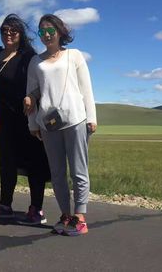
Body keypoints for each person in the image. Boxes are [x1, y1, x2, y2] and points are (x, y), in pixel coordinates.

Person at [26, 14, 97, 236]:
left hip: (75, 118)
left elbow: (86, 88)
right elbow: (30, 95)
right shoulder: (35, 62)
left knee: (78, 169)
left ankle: (80, 216)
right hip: (48, 123)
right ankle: (65, 215)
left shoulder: (74, 55)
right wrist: (32, 123)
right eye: (42, 32)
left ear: (59, 31)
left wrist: (92, 117)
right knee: (57, 172)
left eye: (50, 30)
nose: (47, 35)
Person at [0, 14, 51, 224]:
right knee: (7, 162)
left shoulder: (29, 57)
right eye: (4, 30)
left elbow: (42, 83)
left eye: (13, 30)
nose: (8, 34)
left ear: (21, 34)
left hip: (27, 117)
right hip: (3, 118)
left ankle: (36, 209)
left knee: (34, 162)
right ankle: (5, 205)